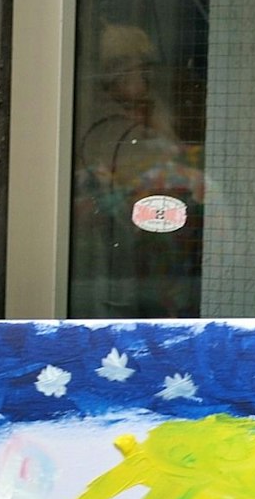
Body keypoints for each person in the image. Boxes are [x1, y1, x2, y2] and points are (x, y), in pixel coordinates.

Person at [68, 22, 205, 317]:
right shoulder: (94, 121)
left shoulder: (154, 115)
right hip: (104, 253)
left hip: (156, 254)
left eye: (146, 70)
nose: (143, 80)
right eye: (133, 69)